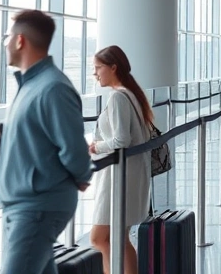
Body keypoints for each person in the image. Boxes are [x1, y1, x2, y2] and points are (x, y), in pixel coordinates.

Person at [0, 10, 93, 274]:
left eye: (7, 36)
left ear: (19, 41)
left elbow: (73, 147)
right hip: (24, 206)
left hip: (37, 208)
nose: (4, 42)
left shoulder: (53, 88)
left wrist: (82, 174)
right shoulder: (30, 85)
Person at [89, 46, 152, 274]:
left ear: (113, 67)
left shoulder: (118, 97)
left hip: (119, 178)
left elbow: (121, 139)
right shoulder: (131, 94)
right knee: (119, 238)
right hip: (130, 174)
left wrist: (96, 146)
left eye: (98, 68)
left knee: (99, 238)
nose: (95, 74)